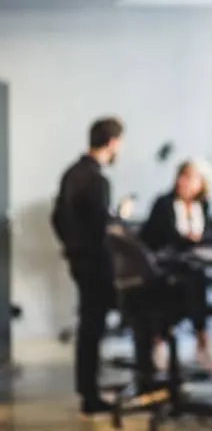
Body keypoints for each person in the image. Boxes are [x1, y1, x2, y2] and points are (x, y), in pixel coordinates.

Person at [51, 116, 123, 416]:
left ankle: (88, 390)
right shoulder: (97, 179)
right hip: (95, 264)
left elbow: (57, 218)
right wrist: (118, 217)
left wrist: (71, 248)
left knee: (88, 327)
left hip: (80, 261)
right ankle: (91, 397)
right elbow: (101, 226)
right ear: (112, 142)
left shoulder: (72, 173)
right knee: (93, 327)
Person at [139, 160, 212, 374]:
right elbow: (154, 239)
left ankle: (200, 342)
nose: (183, 182)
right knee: (194, 283)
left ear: (201, 183)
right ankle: (194, 341)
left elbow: (208, 235)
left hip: (192, 269)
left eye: (190, 177)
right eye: (181, 175)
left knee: (197, 279)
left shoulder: (203, 205)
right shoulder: (164, 204)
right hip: (164, 270)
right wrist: (187, 240)